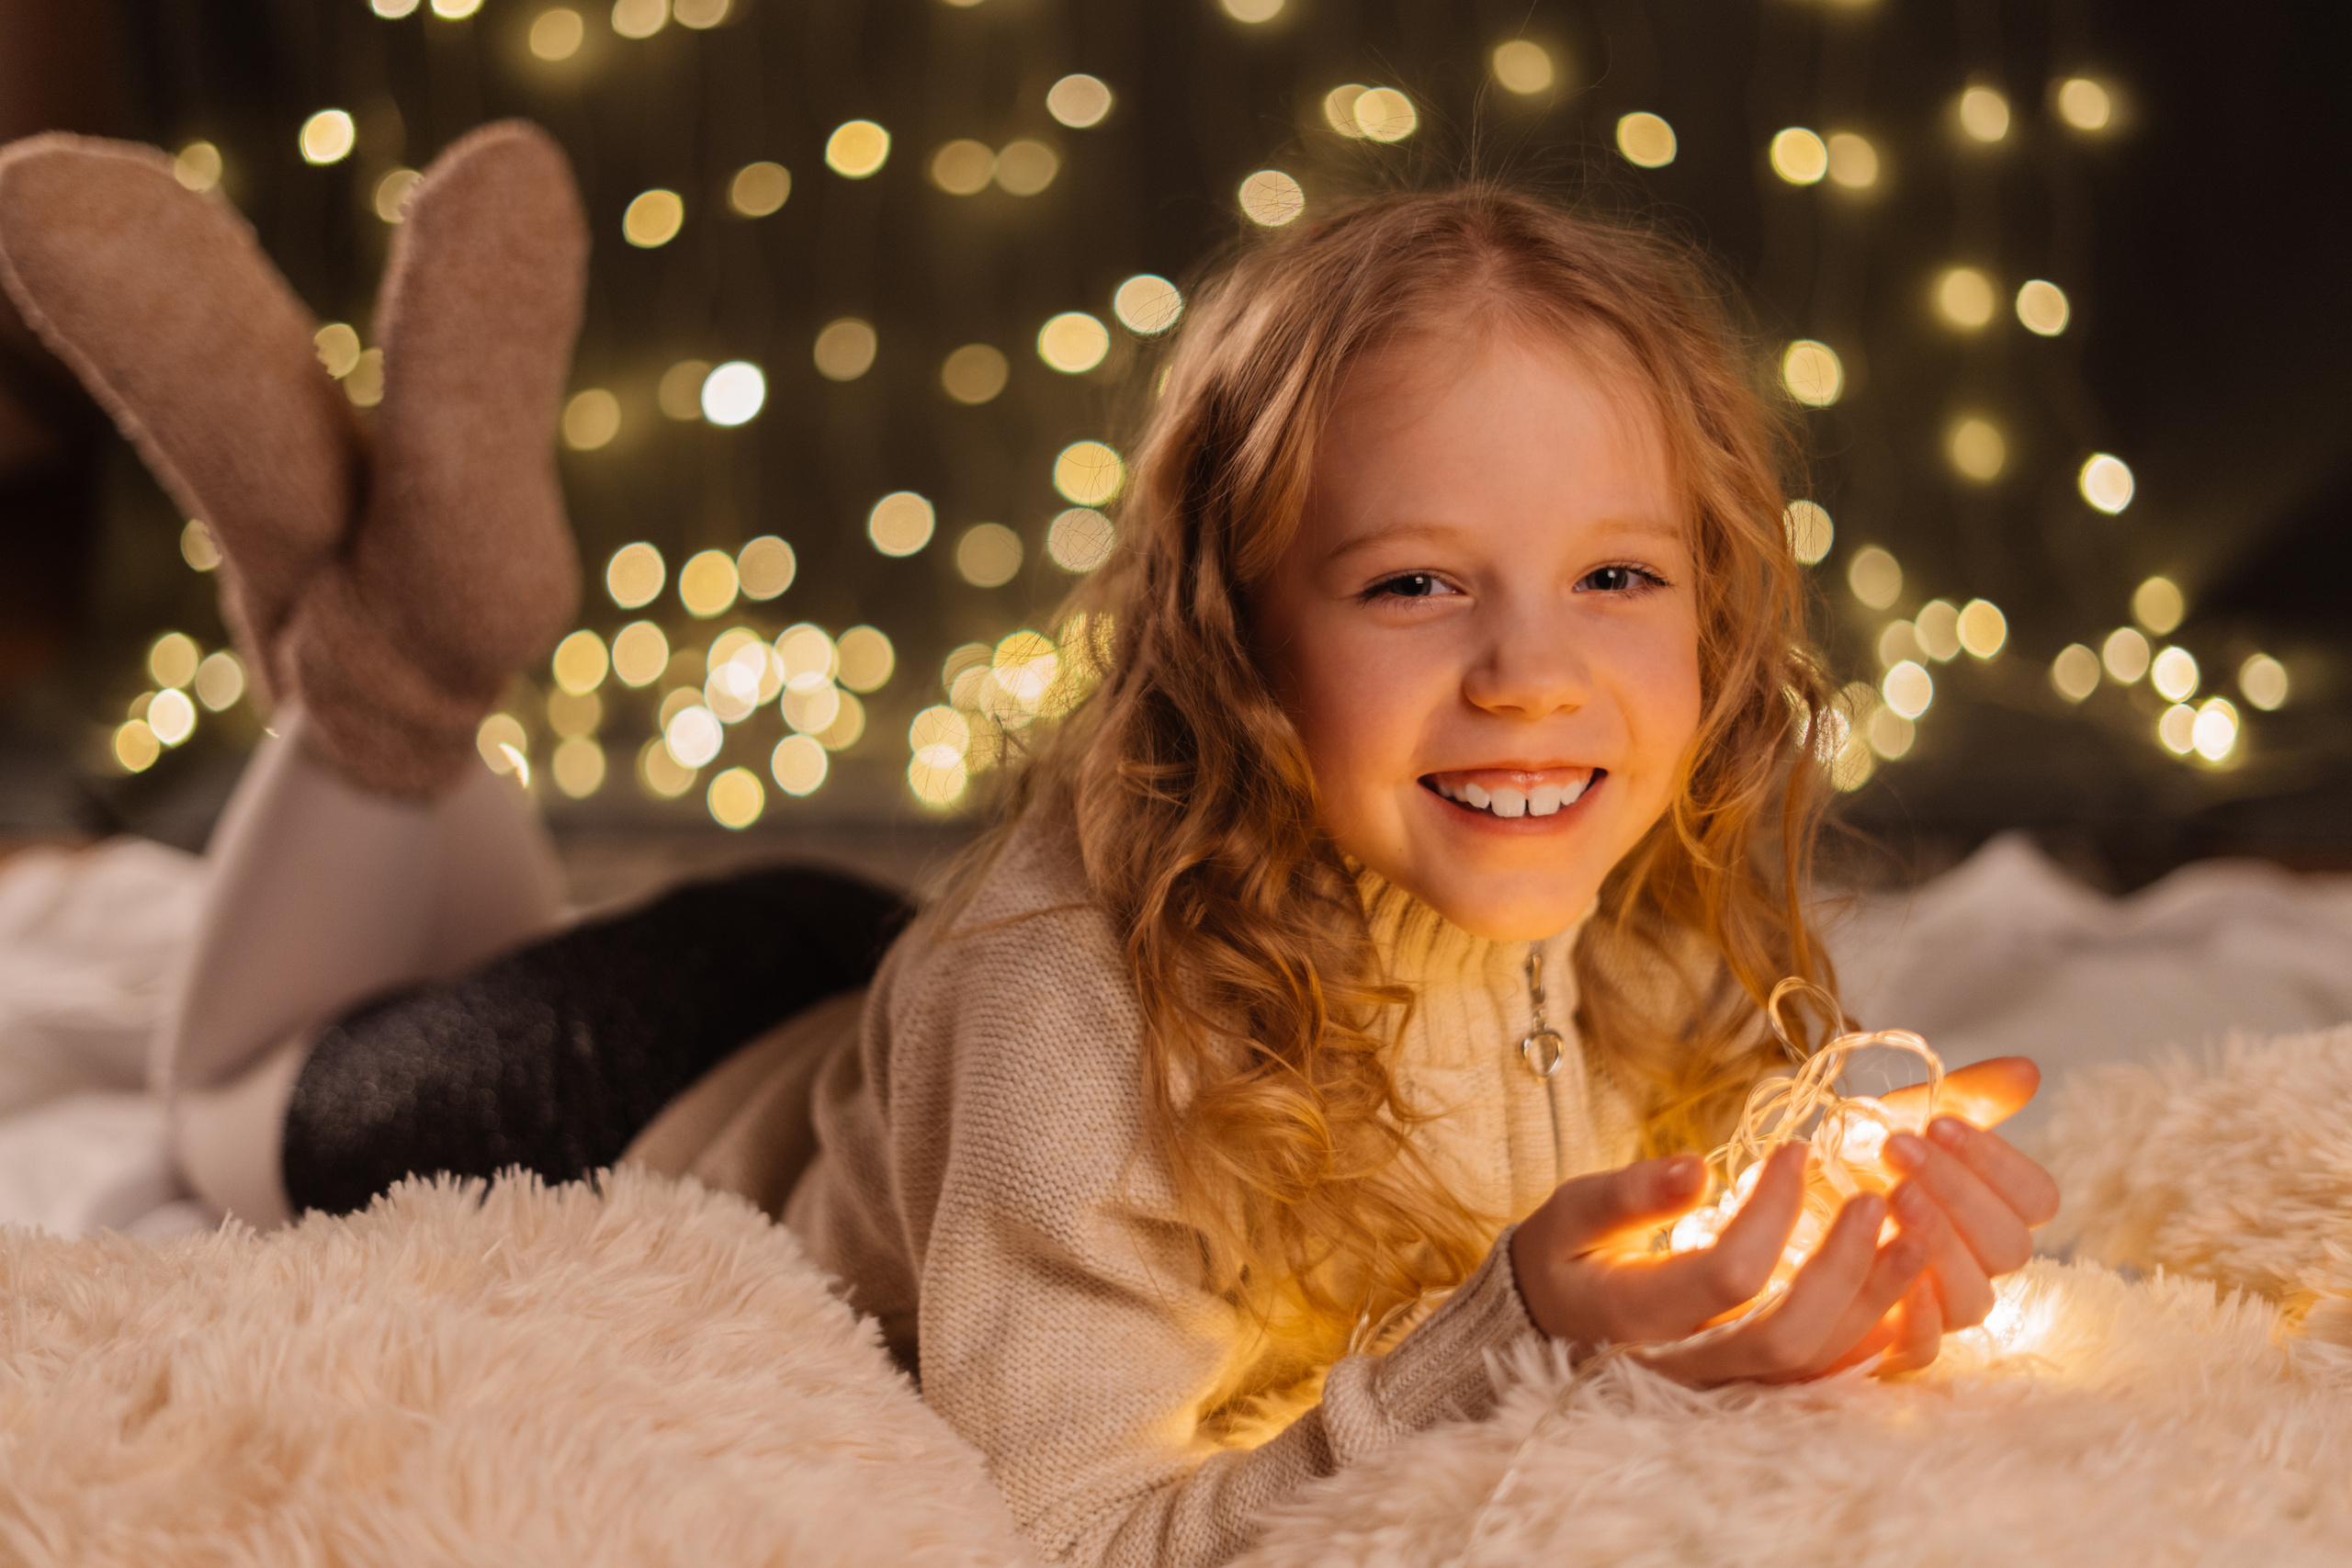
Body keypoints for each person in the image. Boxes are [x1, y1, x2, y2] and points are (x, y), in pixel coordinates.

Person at [0, 130, 2057, 1568]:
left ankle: (389, 619)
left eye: (1616, 572)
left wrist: (1842, 1242)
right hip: (617, 1078)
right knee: (239, 1102)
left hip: (846, 1002)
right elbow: (1068, 1533)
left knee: (428, 935)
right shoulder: (1072, 1007)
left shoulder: (1669, 901)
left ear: (1720, 611)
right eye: (1414, 585)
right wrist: (1507, 1320)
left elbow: (1738, 1192)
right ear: (1228, 633)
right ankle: (381, 670)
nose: (1535, 674)